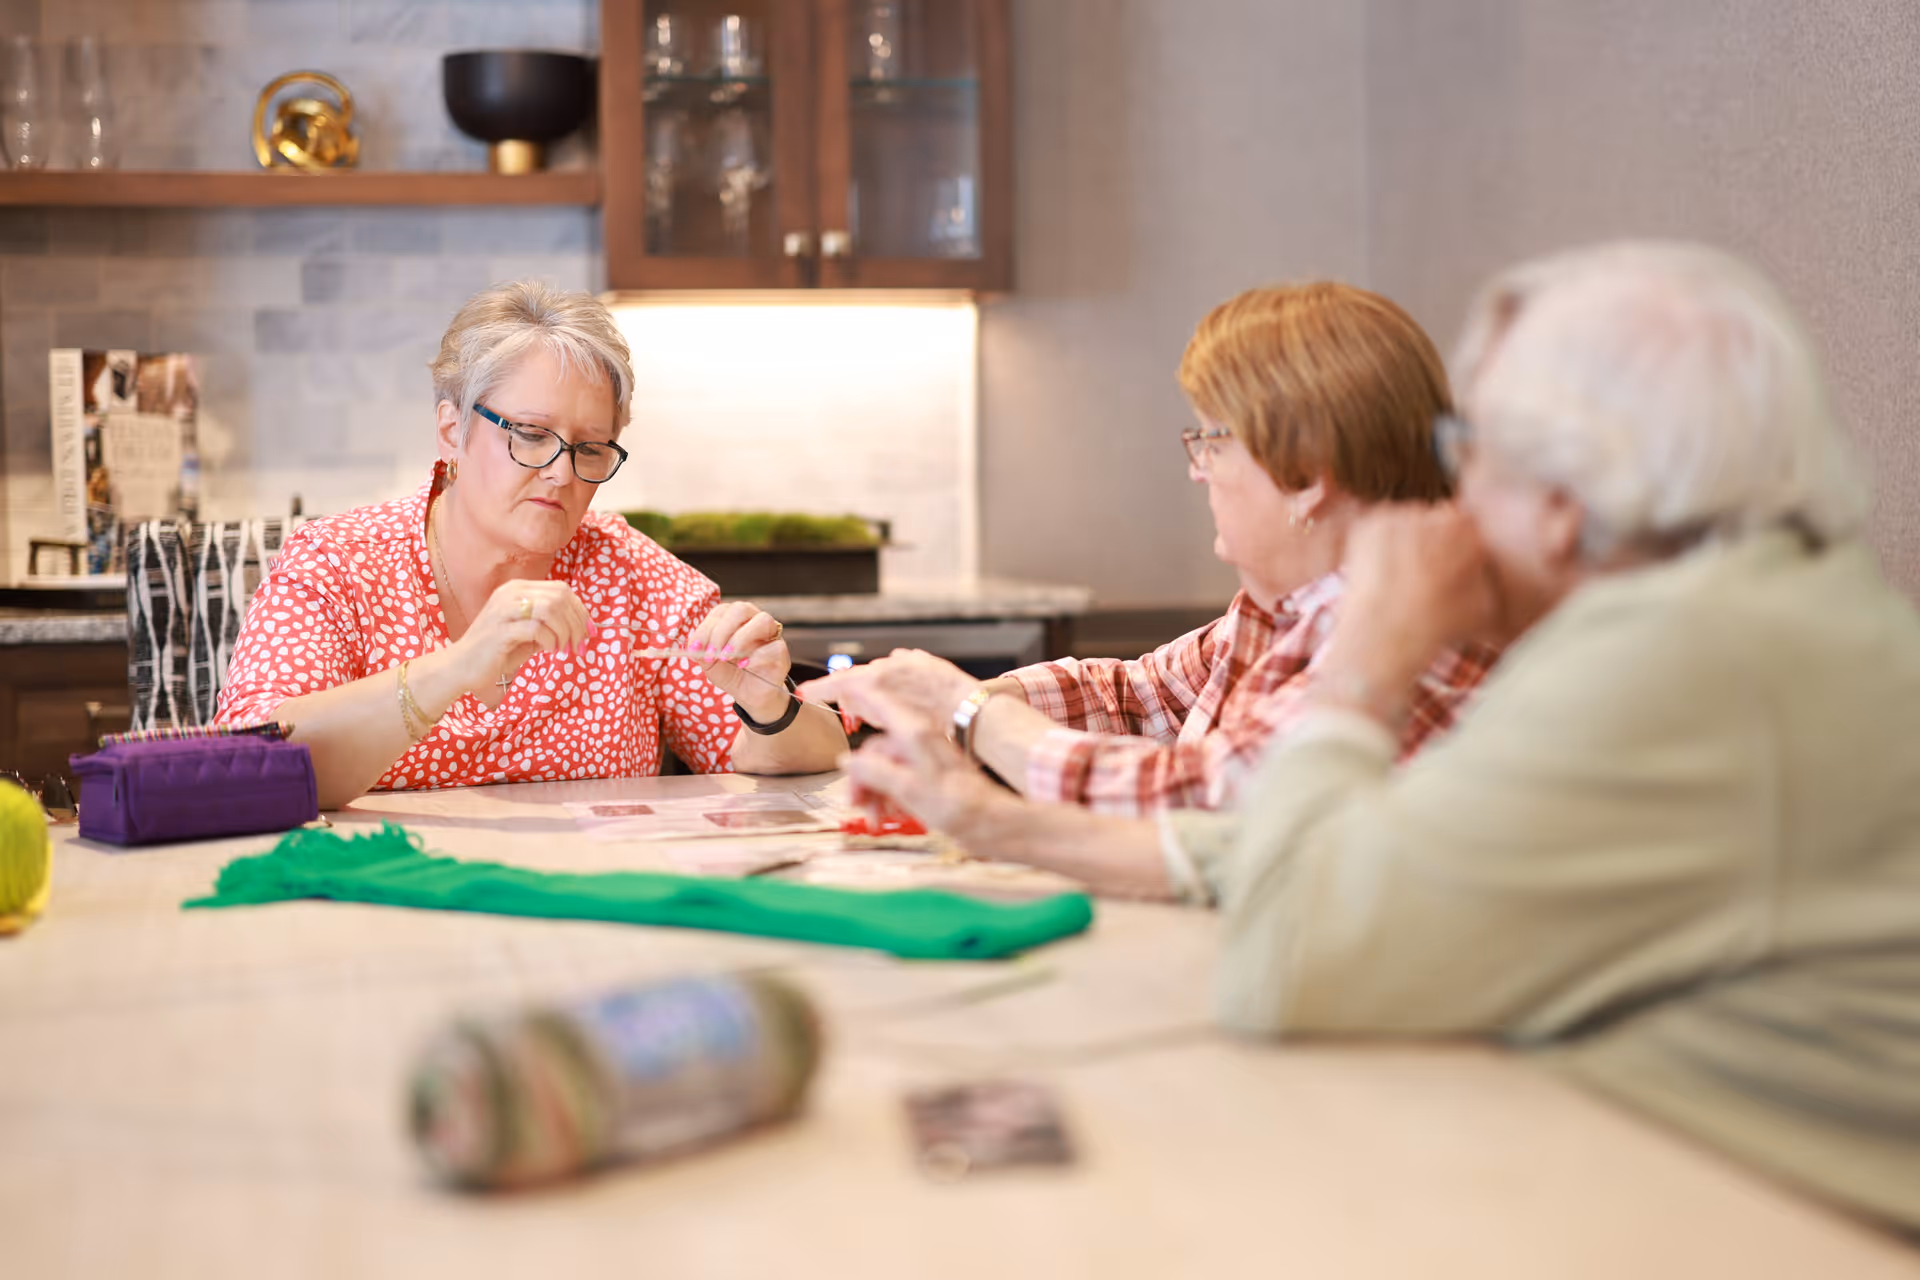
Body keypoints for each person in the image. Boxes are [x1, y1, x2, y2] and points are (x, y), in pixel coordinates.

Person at [833, 242, 1920, 1232]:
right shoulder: (1741, 618)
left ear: (1566, 499)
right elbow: (1405, 850)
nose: (1447, 490)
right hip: (1685, 1168)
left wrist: (1373, 659)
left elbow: (1286, 957)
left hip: (1784, 1218)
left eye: (1472, 450)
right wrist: (1009, 825)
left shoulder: (1673, 662)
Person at [803, 282, 1497, 816]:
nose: (1197, 468)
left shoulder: (1407, 628)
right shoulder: (1288, 607)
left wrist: (968, 712)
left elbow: (1194, 802)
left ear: (1310, 477)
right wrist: (959, 696)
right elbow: (1138, 694)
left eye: (1213, 441)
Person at [216, 280, 845, 808]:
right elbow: (245, 765)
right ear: (451, 429)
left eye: (590, 447)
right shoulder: (337, 563)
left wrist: (769, 706)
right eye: (530, 434)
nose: (563, 472)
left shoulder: (629, 573)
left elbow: (814, 756)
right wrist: (455, 668)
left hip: (590, 914)